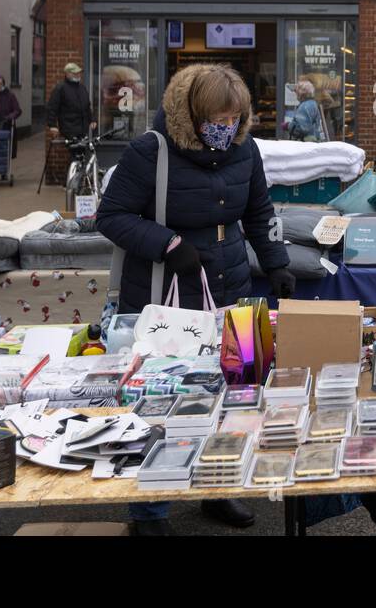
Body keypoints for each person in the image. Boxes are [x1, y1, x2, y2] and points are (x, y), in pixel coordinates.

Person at [96, 63, 296, 535]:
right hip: (169, 291)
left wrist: (276, 262)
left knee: (237, 394)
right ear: (194, 113)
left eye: (233, 120)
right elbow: (112, 216)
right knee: (164, 399)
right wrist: (169, 243)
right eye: (217, 120)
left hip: (233, 288)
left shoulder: (246, 150)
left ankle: (218, 487)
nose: (225, 129)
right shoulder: (152, 150)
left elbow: (259, 210)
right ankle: (151, 509)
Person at [47, 62, 95, 142]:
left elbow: (87, 107)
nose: (78, 75)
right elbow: (52, 108)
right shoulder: (60, 88)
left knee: (82, 152)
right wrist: (52, 125)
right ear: (67, 74)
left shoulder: (82, 88)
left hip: (83, 130)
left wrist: (92, 119)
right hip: (69, 130)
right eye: (75, 73)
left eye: (79, 73)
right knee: (75, 152)